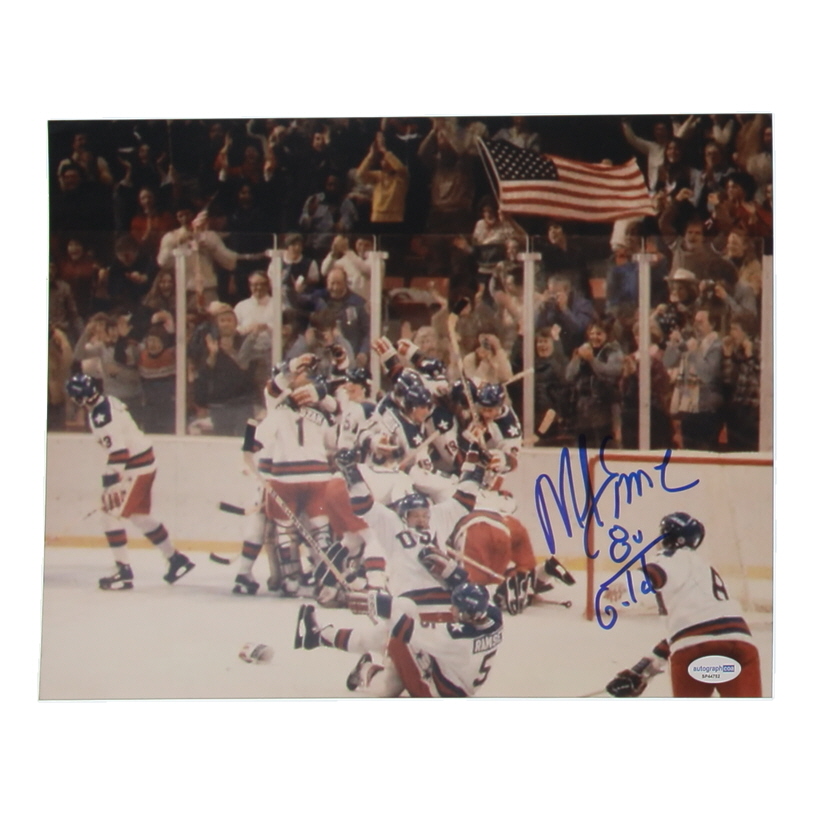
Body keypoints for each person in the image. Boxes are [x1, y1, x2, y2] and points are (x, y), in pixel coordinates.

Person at [606, 512, 762, 697]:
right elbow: (687, 632)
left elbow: (655, 573)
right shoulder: (705, 569)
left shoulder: (673, 556)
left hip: (694, 651)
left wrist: (624, 584)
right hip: (739, 646)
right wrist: (641, 671)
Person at [64, 373, 195, 589]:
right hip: (143, 463)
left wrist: (111, 485)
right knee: (139, 516)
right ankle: (175, 559)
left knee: (109, 515)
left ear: (79, 399)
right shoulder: (108, 401)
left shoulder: (102, 418)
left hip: (137, 468)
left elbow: (119, 454)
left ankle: (123, 571)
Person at [292, 581, 504, 697]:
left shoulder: (454, 639)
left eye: (456, 608)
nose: (451, 610)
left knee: (388, 686)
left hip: (435, 691)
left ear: (468, 614)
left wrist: (374, 602)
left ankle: (363, 668)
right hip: (449, 673)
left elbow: (404, 628)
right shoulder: (494, 619)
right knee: (401, 615)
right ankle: (320, 637)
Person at [663, 307, 724, 450]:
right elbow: (668, 362)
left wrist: (695, 352)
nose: (696, 326)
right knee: (688, 450)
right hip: (688, 407)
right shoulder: (692, 343)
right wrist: (673, 344)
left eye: (701, 322)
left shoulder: (717, 346)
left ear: (712, 325)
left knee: (705, 451)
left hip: (706, 409)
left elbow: (707, 375)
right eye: (695, 322)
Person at [565, 317, 624, 449]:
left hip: (605, 407)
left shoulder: (613, 351)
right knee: (584, 446)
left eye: (599, 334)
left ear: (607, 335)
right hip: (584, 408)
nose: (594, 337)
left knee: (605, 445)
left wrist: (592, 360)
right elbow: (569, 376)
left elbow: (611, 372)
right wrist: (576, 358)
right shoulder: (585, 349)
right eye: (592, 334)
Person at [534, 274, 596, 359]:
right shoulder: (548, 305)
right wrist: (543, 308)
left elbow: (579, 330)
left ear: (567, 290)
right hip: (553, 354)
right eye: (551, 292)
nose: (553, 296)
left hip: (576, 352)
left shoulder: (583, 305)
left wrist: (564, 309)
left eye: (556, 293)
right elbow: (536, 328)